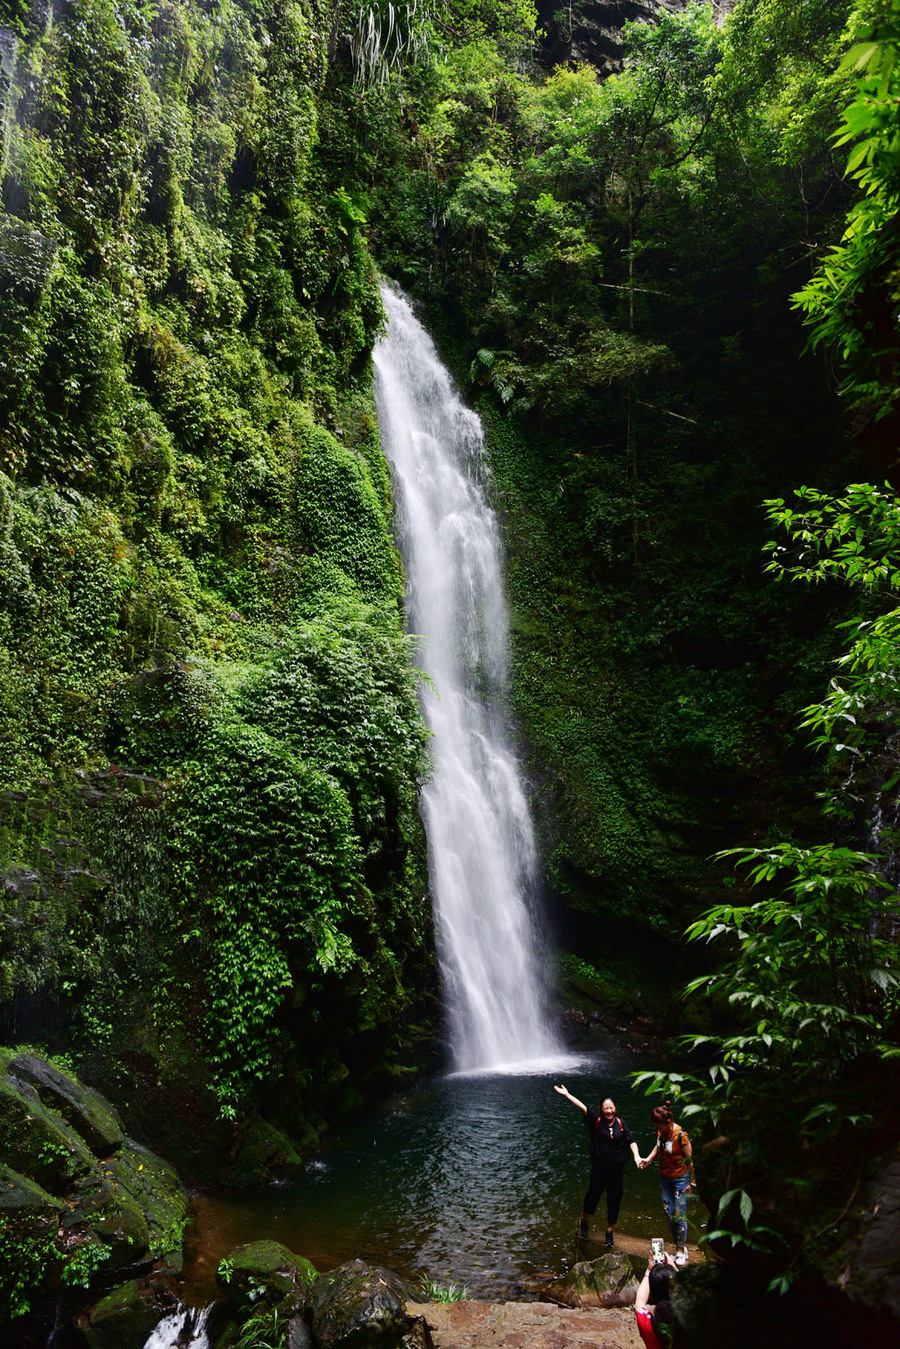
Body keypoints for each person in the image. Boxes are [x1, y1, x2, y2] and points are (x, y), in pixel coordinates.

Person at [553, 1084, 641, 1245]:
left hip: (616, 1168)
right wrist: (567, 1094)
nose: (609, 1111)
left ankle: (609, 1231)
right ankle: (585, 1221)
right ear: (601, 1109)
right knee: (593, 1195)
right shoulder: (597, 1120)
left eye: (611, 1108)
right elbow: (582, 1107)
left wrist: (637, 1156)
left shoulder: (621, 1123)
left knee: (614, 1199)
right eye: (606, 1108)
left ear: (615, 1108)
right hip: (599, 1167)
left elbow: (631, 1140)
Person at [639, 1099, 695, 1267]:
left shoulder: (681, 1136)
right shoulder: (661, 1131)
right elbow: (659, 1146)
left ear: (668, 1122)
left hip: (681, 1179)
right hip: (665, 1178)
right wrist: (648, 1159)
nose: (658, 1129)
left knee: (679, 1213)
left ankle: (680, 1249)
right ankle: (679, 1244)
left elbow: (692, 1161)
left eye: (660, 1125)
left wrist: (692, 1183)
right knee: (669, 1213)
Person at [634, 1249, 678, 1349]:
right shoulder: (689, 1319)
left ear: (652, 1295)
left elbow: (640, 1301)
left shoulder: (647, 1324)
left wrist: (649, 1270)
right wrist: (674, 1269)